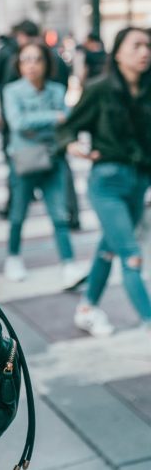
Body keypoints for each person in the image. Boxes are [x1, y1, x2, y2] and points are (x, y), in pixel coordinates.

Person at [59, 27, 151, 336]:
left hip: (139, 183)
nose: (144, 52)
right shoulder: (100, 88)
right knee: (130, 254)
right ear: (119, 52)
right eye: (136, 45)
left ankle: (86, 308)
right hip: (107, 183)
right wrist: (73, 145)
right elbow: (69, 127)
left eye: (148, 46)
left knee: (108, 248)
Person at [1, 42, 85, 285]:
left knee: (60, 215)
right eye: (26, 59)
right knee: (18, 214)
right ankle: (13, 257)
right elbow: (17, 124)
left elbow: (66, 120)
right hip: (25, 161)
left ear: (46, 64)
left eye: (37, 59)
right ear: (19, 64)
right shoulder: (12, 91)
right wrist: (52, 118)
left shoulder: (57, 90)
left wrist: (37, 124)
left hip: (53, 159)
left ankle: (68, 263)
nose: (31, 65)